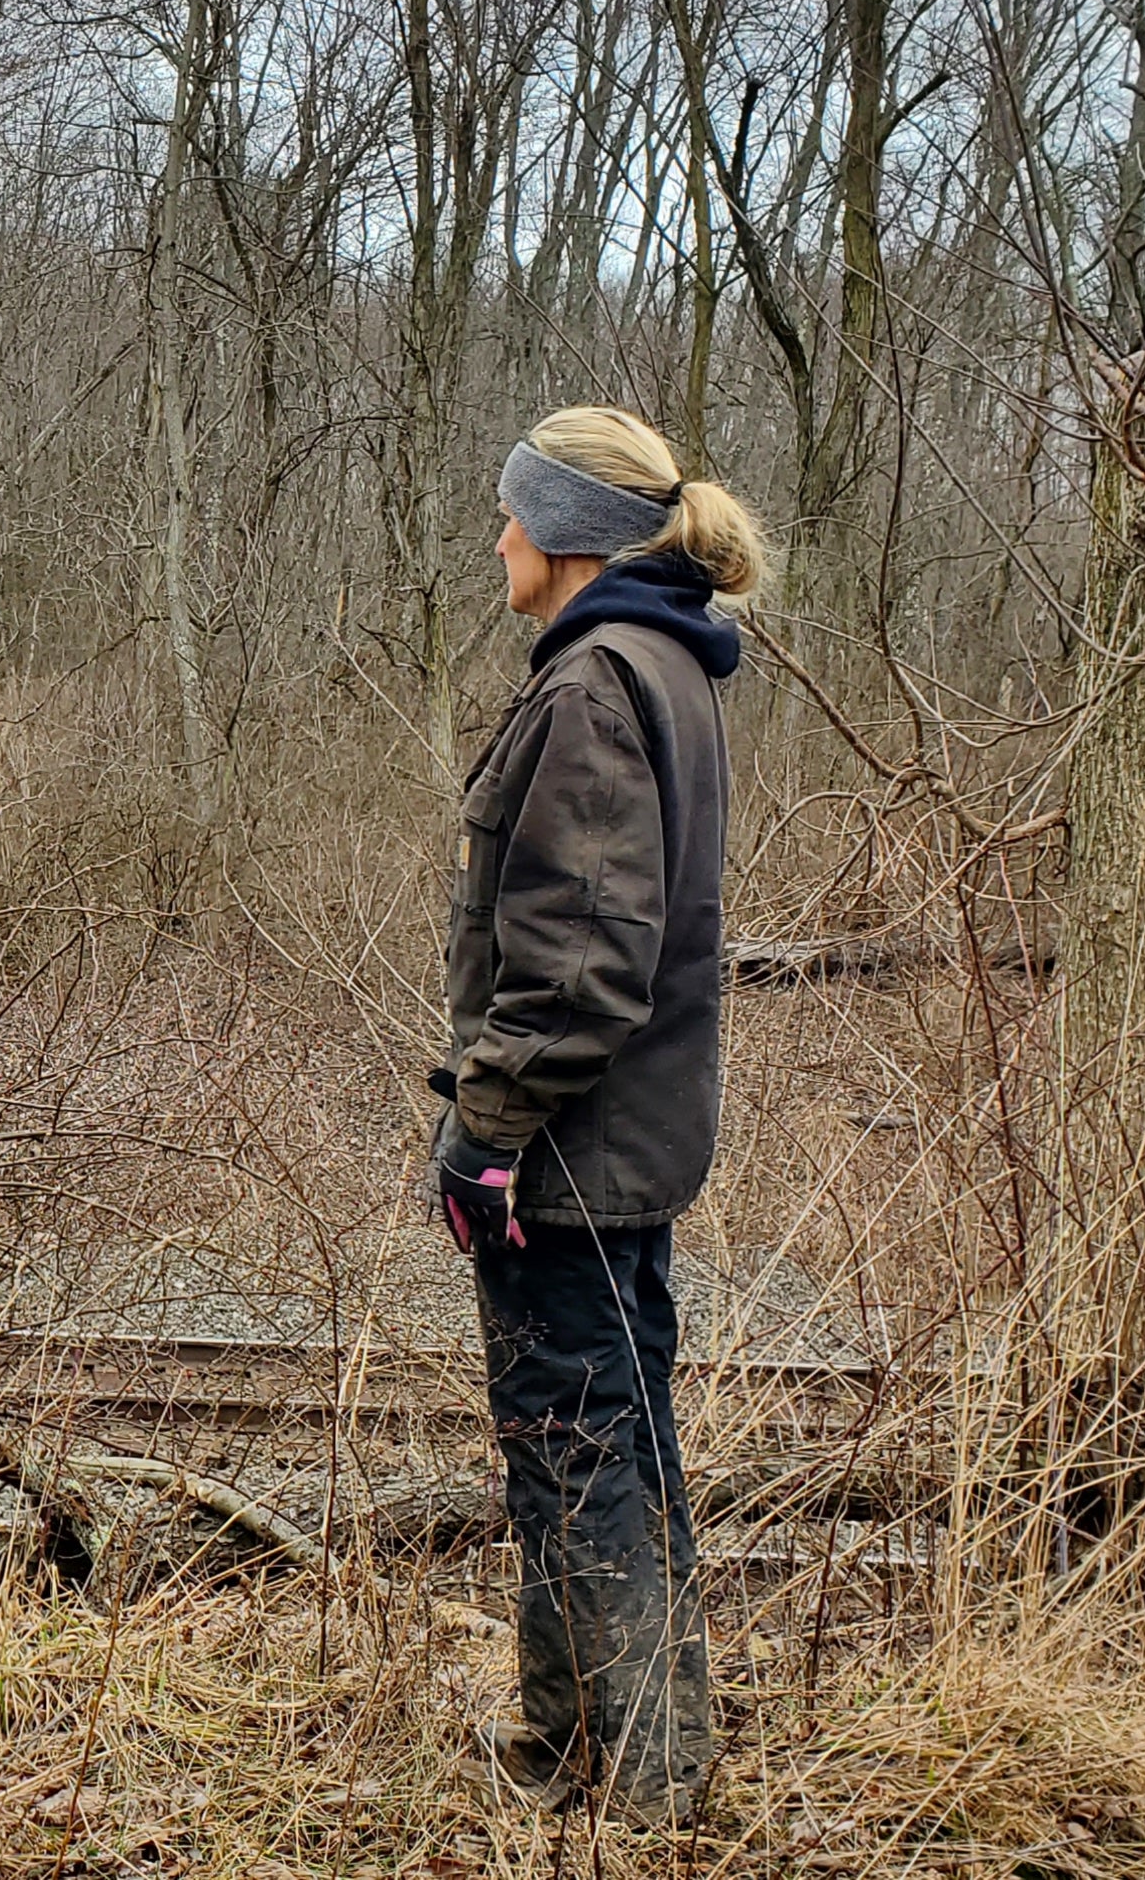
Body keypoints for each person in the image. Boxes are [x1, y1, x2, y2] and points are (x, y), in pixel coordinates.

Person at [431, 405, 766, 1826]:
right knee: (612, 1443)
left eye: (513, 515)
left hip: (571, 1155)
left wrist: (485, 1131)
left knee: (577, 1454)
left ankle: (637, 1784)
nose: (497, 538)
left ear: (566, 536)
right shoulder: (654, 669)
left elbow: (582, 961)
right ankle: (593, 1745)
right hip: (621, 1148)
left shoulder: (592, 688)